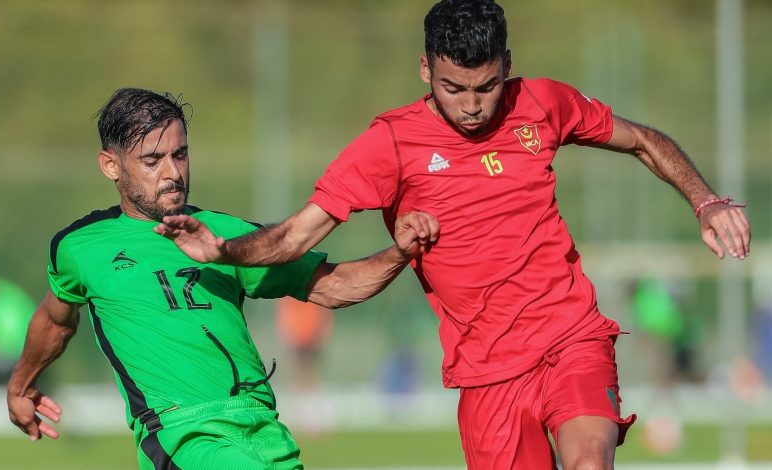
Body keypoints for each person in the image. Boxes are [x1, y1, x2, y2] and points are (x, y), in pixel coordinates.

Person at [155, 1, 752, 468]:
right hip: (486, 372)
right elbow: (296, 235)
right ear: (426, 71)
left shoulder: (543, 103)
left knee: (589, 461)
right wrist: (224, 250)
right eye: (453, 88)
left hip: (570, 336)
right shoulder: (390, 144)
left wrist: (705, 201)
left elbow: (643, 139)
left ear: (507, 66)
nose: (471, 105)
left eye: (486, 87)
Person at [6, 88, 439, 470]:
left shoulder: (226, 236)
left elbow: (336, 286)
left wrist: (400, 252)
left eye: (180, 154)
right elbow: (56, 320)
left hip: (264, 431)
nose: (173, 173)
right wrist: (22, 385)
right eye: (152, 160)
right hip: (183, 436)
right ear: (110, 165)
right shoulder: (81, 246)